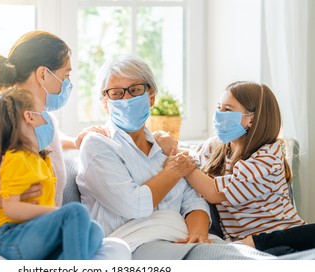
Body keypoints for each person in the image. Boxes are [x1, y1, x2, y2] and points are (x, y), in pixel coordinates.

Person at [76, 54, 315, 260]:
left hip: (273, 234)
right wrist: (175, 166)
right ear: (105, 103)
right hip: (139, 242)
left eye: (135, 90)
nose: (127, 99)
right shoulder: (100, 144)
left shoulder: (266, 157)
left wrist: (198, 231)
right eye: (116, 93)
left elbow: (198, 195)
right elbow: (137, 203)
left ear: (151, 96)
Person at [0, 30, 130, 260]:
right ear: (42, 75)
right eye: (66, 74)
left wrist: (78, 141)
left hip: (41, 233)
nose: (69, 83)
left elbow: (47, 142)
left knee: (117, 249)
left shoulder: (45, 125)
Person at [0, 87, 103, 260]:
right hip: (11, 236)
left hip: (34, 232)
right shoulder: (16, 158)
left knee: (95, 230)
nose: (48, 118)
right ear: (30, 117)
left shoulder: (42, 159)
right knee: (76, 212)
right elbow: (11, 208)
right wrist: (54, 212)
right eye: (43, 112)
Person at [186, 81, 315, 255]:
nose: (219, 115)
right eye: (219, 107)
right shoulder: (216, 148)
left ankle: (255, 242)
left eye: (228, 110)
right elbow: (187, 155)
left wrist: (182, 165)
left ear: (251, 119)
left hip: (284, 238)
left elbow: (214, 193)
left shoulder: (267, 158)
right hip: (246, 244)